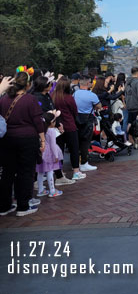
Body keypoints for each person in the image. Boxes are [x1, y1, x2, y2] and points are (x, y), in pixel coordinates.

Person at [0, 71, 46, 217]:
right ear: (27, 84)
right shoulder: (30, 100)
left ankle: (4, 205)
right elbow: (38, 122)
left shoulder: (3, 99)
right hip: (27, 139)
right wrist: (43, 140)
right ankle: (23, 205)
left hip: (7, 139)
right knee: (25, 172)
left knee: (7, 173)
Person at [52, 77, 84, 182]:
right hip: (70, 125)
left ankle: (60, 172)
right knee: (74, 149)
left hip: (57, 127)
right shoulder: (69, 97)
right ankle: (76, 171)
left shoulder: (53, 96)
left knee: (59, 150)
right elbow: (74, 111)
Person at [74, 76, 101, 173]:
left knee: (77, 141)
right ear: (87, 84)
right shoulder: (91, 95)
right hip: (87, 118)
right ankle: (84, 163)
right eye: (90, 82)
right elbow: (99, 105)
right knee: (86, 141)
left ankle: (77, 163)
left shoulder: (75, 93)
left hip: (77, 118)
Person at [36, 112, 64, 198]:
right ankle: (52, 190)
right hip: (49, 153)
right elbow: (53, 145)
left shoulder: (40, 130)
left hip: (41, 152)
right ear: (52, 122)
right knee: (50, 171)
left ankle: (40, 190)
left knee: (40, 172)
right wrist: (56, 156)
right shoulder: (51, 131)